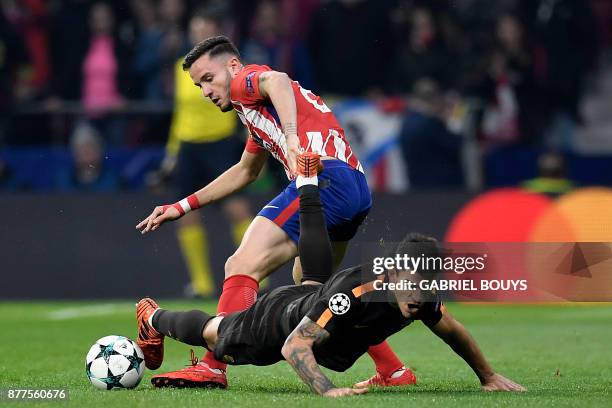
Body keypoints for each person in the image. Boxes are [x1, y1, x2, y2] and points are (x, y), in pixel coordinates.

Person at [135, 35, 409, 388]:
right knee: (318, 291)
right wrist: (182, 205)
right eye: (197, 85)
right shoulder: (257, 115)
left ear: (232, 67)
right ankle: (393, 370)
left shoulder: (244, 82)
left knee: (240, 265)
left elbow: (275, 79)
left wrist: (293, 139)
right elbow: (245, 171)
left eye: (207, 79)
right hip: (355, 187)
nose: (205, 91)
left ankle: (212, 366)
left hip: (324, 177)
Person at [136, 153, 525, 396]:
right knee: (215, 331)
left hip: (312, 297)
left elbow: (453, 331)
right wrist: (326, 389)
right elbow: (293, 348)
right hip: (274, 323)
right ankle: (152, 317)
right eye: (414, 287)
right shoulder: (356, 292)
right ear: (393, 273)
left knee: (316, 278)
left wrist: (488, 376)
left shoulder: (416, 294)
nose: (418, 298)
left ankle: (309, 186)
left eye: (426, 288)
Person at [151, 12, 252, 298]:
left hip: (220, 143)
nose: (199, 33)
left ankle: (257, 276)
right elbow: (179, 113)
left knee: (237, 210)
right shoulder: (181, 68)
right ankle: (202, 283)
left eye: (205, 29)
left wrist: (248, 129)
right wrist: (172, 153)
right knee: (186, 214)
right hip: (188, 145)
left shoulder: (225, 67)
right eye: (195, 29)